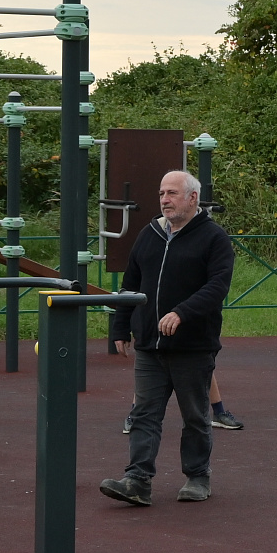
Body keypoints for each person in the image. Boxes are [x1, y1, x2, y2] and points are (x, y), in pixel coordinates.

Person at [101, 170, 235, 506]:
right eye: (162, 193)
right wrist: (121, 326)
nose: (164, 200)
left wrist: (182, 312)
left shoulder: (214, 238)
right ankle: (137, 480)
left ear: (192, 198)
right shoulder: (149, 235)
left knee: (195, 417)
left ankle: (197, 477)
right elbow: (130, 283)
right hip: (150, 346)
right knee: (144, 415)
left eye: (172, 193)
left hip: (193, 346)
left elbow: (217, 286)